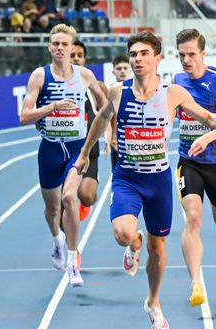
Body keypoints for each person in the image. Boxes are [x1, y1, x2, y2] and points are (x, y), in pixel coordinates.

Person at [74, 32, 216, 329]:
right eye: (134, 54)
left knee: (158, 248)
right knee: (123, 233)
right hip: (127, 178)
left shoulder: (172, 93)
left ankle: (153, 302)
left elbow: (207, 117)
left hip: (159, 181)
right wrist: (84, 153)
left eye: (144, 54)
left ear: (157, 60)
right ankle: (133, 244)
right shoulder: (118, 91)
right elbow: (101, 118)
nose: (138, 59)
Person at [19, 24, 108, 287]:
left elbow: (105, 107)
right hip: (49, 149)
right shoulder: (39, 76)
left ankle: (72, 261)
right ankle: (58, 241)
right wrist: (52, 107)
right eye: (55, 44)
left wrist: (105, 130)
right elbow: (24, 116)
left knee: (70, 197)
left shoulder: (84, 75)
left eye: (64, 44)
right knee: (52, 209)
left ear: (72, 48)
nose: (59, 48)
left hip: (76, 148)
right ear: (49, 47)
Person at [173, 28, 216, 307]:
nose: (186, 60)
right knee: (193, 218)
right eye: (181, 55)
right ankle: (196, 282)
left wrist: (207, 136)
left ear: (202, 53)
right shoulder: (176, 82)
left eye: (191, 54)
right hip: (189, 162)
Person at [70, 39, 108, 221]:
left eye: (80, 56)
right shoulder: (54, 85)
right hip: (67, 151)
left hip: (90, 151)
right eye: (72, 55)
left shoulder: (96, 87)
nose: (76, 59)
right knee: (65, 202)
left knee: (85, 196)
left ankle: (89, 198)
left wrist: (112, 136)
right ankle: (70, 248)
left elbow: (109, 112)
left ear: (84, 59)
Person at [105, 55, 132, 171]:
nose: (122, 71)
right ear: (113, 71)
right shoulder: (111, 91)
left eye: (125, 68)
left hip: (135, 138)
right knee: (118, 172)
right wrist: (112, 137)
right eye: (119, 68)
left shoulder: (137, 88)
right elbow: (109, 117)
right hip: (119, 138)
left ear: (130, 69)